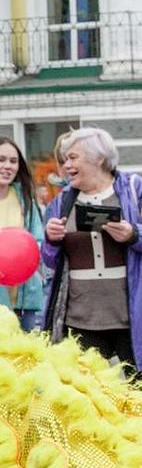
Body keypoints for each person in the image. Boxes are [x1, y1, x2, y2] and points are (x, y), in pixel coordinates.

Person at [41, 127, 142, 376]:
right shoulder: (61, 202)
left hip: (133, 318)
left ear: (99, 158)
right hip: (80, 320)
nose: (65, 165)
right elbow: (49, 261)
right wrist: (51, 240)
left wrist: (133, 233)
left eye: (73, 157)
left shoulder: (137, 189)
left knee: (141, 392)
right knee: (88, 397)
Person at [0, 138, 45, 331]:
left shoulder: (25, 198)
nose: (7, 166)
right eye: (1, 159)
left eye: (13, 161)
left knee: (25, 357)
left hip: (24, 297)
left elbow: (38, 240)